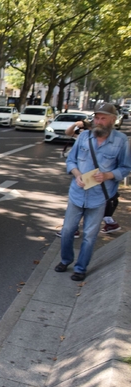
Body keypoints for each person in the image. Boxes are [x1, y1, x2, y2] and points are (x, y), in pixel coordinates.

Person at [54, 103, 131, 281]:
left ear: (112, 120)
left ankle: (81, 268)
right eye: (97, 117)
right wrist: (77, 174)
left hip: (99, 196)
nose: (99, 121)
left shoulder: (120, 140)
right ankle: (66, 260)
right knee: (67, 230)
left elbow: (126, 168)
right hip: (77, 193)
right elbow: (71, 161)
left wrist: (108, 175)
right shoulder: (84, 137)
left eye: (103, 118)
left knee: (89, 234)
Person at [62, 118, 122, 235]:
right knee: (82, 202)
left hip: (96, 177)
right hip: (84, 175)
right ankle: (76, 228)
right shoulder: (83, 136)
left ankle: (75, 229)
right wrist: (75, 124)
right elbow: (68, 133)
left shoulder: (99, 138)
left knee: (91, 202)